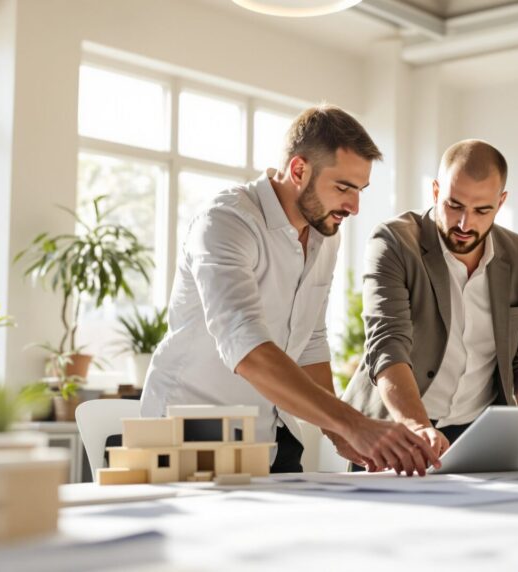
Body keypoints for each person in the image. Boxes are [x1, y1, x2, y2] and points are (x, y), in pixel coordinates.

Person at [140, 105, 439, 476]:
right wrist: (354, 424)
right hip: (186, 433)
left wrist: (337, 433)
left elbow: (310, 341)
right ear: (299, 170)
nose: (355, 206)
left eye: (360, 190)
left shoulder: (325, 236)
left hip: (266, 436)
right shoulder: (226, 222)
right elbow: (246, 346)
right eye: (344, 187)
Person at [342, 139, 518, 461]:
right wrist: (416, 425)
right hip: (396, 428)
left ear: (501, 202)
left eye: (482, 210)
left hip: (477, 432)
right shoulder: (394, 242)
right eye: (454, 205)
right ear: (437, 191)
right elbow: (388, 345)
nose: (465, 224)